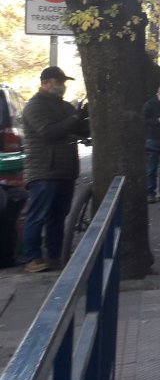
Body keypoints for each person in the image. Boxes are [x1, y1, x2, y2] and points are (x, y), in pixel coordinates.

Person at [20, 67, 90, 273]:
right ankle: (31, 258)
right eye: (59, 82)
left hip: (64, 170)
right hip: (43, 171)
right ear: (46, 83)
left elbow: (77, 128)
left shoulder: (65, 107)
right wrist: (76, 118)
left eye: (63, 82)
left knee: (58, 216)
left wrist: (87, 118)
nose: (63, 86)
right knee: (38, 215)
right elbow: (49, 132)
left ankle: (54, 256)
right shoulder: (34, 106)